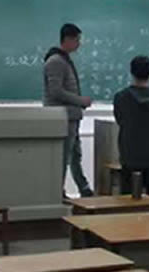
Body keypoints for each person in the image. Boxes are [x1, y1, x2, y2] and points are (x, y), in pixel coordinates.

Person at [44, 23, 94, 198]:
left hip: (71, 117)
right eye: (77, 40)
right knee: (62, 157)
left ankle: (84, 188)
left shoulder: (64, 60)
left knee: (75, 155)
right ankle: (57, 192)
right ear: (67, 39)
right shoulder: (56, 61)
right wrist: (81, 101)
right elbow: (55, 91)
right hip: (62, 118)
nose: (79, 44)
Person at [113, 56, 149, 198]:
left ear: (131, 72)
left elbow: (120, 120)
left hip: (130, 154)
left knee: (129, 200)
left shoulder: (121, 97)